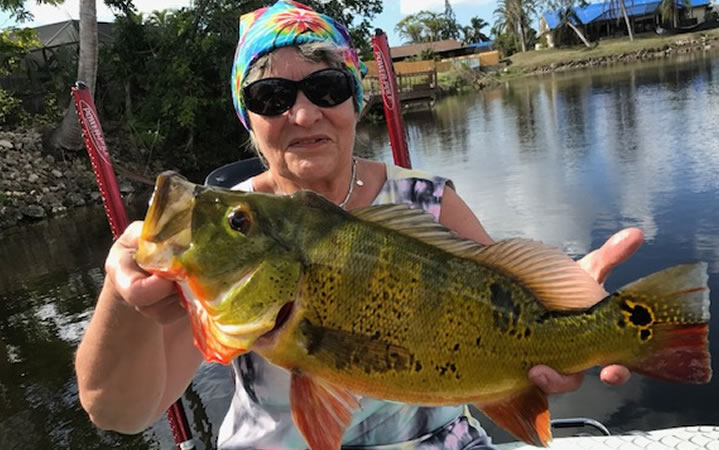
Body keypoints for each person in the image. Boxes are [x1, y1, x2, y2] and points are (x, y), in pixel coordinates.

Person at [75, 1, 643, 448]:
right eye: (271, 97)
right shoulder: (224, 228)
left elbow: (510, 305)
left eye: (327, 88)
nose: (303, 114)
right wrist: (124, 297)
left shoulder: (430, 202)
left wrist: (583, 323)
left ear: (355, 100)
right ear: (247, 117)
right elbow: (120, 411)